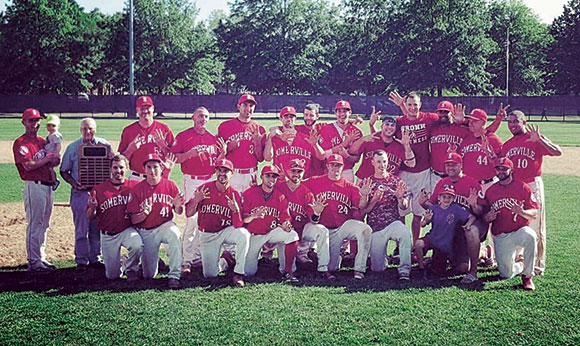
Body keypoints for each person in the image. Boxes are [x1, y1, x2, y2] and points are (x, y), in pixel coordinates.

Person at [501, 110, 562, 276]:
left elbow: (557, 151)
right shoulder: (507, 145)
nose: (512, 125)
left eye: (516, 121)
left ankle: (538, 264)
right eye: (510, 122)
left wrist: (540, 140)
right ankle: (520, 259)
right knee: (518, 222)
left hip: (532, 183)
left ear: (524, 122)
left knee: (536, 224)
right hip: (515, 187)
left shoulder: (535, 138)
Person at [171, 106, 226, 274]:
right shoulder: (184, 136)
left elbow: (218, 164)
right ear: (193, 118)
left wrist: (223, 153)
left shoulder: (212, 138)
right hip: (192, 180)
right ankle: (186, 260)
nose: (204, 119)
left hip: (209, 180)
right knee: (192, 219)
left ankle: (198, 256)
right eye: (201, 116)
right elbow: (174, 158)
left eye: (207, 117)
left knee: (206, 219)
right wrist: (189, 154)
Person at [419, 152, 486, 283]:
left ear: (461, 166)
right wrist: (423, 203)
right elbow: (434, 208)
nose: (450, 168)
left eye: (454, 165)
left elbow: (481, 213)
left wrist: (473, 205)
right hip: (449, 229)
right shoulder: (442, 183)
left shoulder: (472, 183)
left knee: (463, 266)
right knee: (456, 267)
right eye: (447, 165)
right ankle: (446, 257)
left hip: (466, 226)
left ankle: (473, 271)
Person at [304, 154, 372, 279]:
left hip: (340, 229)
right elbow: (297, 185)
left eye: (338, 165)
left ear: (342, 167)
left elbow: (361, 206)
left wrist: (364, 196)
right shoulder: (315, 181)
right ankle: (320, 256)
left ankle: (359, 269)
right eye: (332, 165)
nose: (335, 168)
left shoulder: (349, 186)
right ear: (327, 166)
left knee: (365, 229)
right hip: (322, 229)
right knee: (332, 268)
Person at [184, 159, 250, 287]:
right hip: (208, 234)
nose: (222, 174)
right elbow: (188, 213)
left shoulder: (234, 194)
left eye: (226, 171)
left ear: (232, 173)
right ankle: (226, 261)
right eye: (219, 170)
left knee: (244, 235)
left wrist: (236, 210)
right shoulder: (204, 188)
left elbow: (237, 225)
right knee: (210, 274)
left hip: (225, 231)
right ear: (215, 172)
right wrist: (196, 201)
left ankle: (238, 273)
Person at [13, 108, 61, 273]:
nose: (35, 123)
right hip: (34, 186)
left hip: (47, 186)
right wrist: (48, 158)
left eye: (37, 120)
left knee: (45, 224)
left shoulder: (42, 141)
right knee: (35, 224)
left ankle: (41, 257)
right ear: (24, 122)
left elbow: (51, 163)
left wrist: (54, 159)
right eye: (31, 120)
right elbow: (28, 165)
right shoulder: (21, 143)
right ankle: (33, 261)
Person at [60, 118, 111, 271]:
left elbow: (113, 166)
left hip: (98, 193)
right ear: (80, 130)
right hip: (80, 193)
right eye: (84, 129)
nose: (87, 132)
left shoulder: (105, 145)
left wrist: (112, 157)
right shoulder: (73, 147)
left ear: (95, 129)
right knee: (82, 228)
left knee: (96, 227)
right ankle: (81, 260)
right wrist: (74, 183)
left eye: (90, 128)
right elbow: (63, 171)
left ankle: (95, 257)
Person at [388, 91, 439, 246]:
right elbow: (385, 133)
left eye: (415, 104)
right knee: (401, 211)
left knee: (418, 212)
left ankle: (416, 245)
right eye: (409, 104)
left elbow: (447, 120)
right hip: (403, 171)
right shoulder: (399, 122)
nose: (412, 108)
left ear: (420, 105)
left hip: (422, 171)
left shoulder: (429, 119)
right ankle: (400, 246)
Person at [126, 153, 184, 289]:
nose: (153, 171)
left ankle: (174, 275)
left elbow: (179, 212)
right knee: (149, 275)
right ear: (144, 170)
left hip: (164, 226)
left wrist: (177, 205)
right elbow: (133, 220)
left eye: (156, 167)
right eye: (149, 167)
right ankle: (154, 262)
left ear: (161, 168)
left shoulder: (170, 185)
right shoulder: (137, 190)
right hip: (146, 231)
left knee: (175, 234)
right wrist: (143, 214)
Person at [480, 157, 538, 291]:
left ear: (511, 170)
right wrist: (487, 217)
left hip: (519, 230)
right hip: (501, 234)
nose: (500, 171)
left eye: (504, 169)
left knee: (530, 236)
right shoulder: (491, 191)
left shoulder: (522, 187)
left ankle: (527, 276)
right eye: (498, 168)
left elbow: (534, 212)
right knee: (506, 274)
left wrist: (522, 212)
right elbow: (484, 215)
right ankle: (520, 265)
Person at [358, 150, 412, 281]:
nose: (382, 165)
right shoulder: (367, 183)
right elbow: (362, 210)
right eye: (378, 162)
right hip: (376, 227)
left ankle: (405, 270)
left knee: (405, 233)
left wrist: (400, 198)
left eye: (384, 162)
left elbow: (404, 206)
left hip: (393, 223)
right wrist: (370, 197)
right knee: (378, 268)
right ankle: (383, 259)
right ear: (372, 163)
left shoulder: (395, 181)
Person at [275, 159, 334, 279]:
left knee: (322, 230)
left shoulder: (307, 193)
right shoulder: (279, 188)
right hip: (284, 230)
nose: (296, 174)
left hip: (302, 228)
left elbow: (313, 220)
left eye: (299, 171)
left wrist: (317, 212)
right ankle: (289, 267)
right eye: (293, 171)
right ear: (287, 171)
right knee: (284, 269)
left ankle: (323, 268)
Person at [87, 154, 142, 280]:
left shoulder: (134, 186)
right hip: (108, 235)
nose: (118, 171)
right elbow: (90, 216)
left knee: (137, 245)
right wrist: (94, 207)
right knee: (112, 276)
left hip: (127, 230)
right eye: (115, 168)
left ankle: (131, 269)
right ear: (111, 169)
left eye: (121, 167)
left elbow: (153, 184)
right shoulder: (99, 189)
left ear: (127, 168)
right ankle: (122, 263)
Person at [241, 165, 300, 282]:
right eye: (268, 176)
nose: (271, 179)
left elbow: (285, 218)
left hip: (271, 232)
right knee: (248, 272)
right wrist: (253, 216)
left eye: (274, 176)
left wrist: (285, 224)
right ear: (262, 177)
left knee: (292, 235)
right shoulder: (249, 193)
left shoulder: (280, 197)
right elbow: (243, 219)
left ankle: (288, 271)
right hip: (254, 235)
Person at [415, 186, 475, 278]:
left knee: (439, 271)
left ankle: (432, 262)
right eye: (444, 197)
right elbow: (422, 224)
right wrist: (426, 220)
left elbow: (472, 217)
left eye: (449, 197)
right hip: (433, 238)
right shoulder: (434, 208)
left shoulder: (455, 209)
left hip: (446, 244)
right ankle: (421, 268)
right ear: (439, 198)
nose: (446, 199)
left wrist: (469, 224)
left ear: (453, 198)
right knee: (418, 244)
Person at [118, 96, 175, 181]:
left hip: (158, 177)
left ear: (153, 109)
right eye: (142, 108)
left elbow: (174, 156)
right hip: (136, 177)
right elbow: (121, 161)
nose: (145, 111)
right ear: (137, 110)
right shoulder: (128, 130)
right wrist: (130, 149)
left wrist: (163, 146)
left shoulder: (164, 129)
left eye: (148, 108)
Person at [217, 94, 265, 192]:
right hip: (232, 173)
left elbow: (260, 158)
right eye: (245, 105)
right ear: (239, 106)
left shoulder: (259, 129)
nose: (248, 108)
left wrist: (257, 143)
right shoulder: (225, 126)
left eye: (251, 106)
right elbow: (218, 155)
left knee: (250, 205)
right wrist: (229, 147)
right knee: (232, 204)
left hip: (251, 173)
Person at [350, 114, 414, 180]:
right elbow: (352, 151)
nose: (389, 127)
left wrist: (407, 145)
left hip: (386, 184)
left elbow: (412, 164)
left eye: (392, 125)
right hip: (364, 180)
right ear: (381, 126)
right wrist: (362, 139)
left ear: (396, 129)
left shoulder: (398, 146)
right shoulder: (371, 139)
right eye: (387, 124)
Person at [264, 106, 321, 177]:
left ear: (295, 119)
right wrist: (270, 138)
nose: (289, 119)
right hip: (280, 179)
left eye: (291, 117)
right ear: (281, 118)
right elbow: (267, 158)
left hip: (300, 180)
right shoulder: (275, 137)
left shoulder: (306, 138)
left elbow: (320, 157)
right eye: (286, 117)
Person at [317, 100, 363, 182]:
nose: (342, 114)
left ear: (350, 113)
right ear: (335, 113)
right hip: (329, 170)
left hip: (347, 171)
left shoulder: (356, 132)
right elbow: (324, 155)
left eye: (345, 111)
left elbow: (356, 159)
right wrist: (345, 143)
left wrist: (347, 156)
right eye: (339, 111)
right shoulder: (327, 129)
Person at [460, 108, 504, 191]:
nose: (471, 123)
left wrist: (494, 158)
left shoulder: (493, 140)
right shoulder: (466, 138)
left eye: (475, 121)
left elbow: (503, 165)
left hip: (489, 184)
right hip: (469, 185)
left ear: (483, 122)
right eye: (470, 121)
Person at [428, 101, 471, 184]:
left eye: (446, 112)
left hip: (455, 176)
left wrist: (464, 121)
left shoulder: (461, 129)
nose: (443, 114)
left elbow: (479, 130)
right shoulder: (432, 128)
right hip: (435, 176)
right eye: (440, 112)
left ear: (452, 113)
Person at [44, 114, 63, 190]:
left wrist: (55, 154)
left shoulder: (56, 135)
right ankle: (52, 179)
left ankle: (54, 180)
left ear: (58, 126)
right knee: (48, 168)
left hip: (53, 156)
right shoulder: (51, 134)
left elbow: (58, 145)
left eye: (53, 126)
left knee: (50, 168)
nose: (51, 128)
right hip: (50, 155)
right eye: (49, 125)